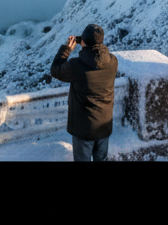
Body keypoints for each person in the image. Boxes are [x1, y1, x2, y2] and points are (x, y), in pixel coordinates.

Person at [50, 23, 118, 162]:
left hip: (84, 128)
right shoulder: (113, 62)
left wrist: (67, 49)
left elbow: (55, 70)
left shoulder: (76, 65)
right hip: (104, 125)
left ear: (84, 43)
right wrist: (85, 41)